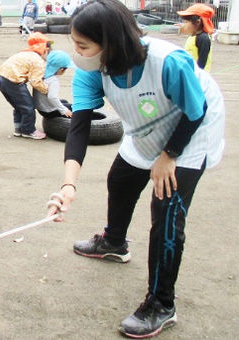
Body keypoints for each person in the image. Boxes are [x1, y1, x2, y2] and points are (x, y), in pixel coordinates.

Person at [46, 0, 225, 338]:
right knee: (122, 178)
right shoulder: (92, 69)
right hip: (147, 125)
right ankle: (114, 242)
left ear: (110, 41)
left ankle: (162, 304)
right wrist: (68, 186)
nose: (76, 52)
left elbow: (195, 109)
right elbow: (80, 126)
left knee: (166, 207)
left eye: (82, 45)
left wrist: (169, 155)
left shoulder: (166, 61)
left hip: (193, 126)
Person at [0, 32, 51, 139]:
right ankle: (28, 130)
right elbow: (35, 81)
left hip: (2, 78)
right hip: (13, 81)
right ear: (44, 49)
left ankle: (18, 128)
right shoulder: (38, 60)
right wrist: (46, 90)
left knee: (18, 106)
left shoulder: (24, 54)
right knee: (28, 106)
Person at [33, 50, 72, 119]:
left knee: (64, 101)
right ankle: (96, 116)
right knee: (75, 108)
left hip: (40, 107)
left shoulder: (41, 72)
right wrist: (64, 110)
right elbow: (52, 97)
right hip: (49, 111)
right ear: (61, 69)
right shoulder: (53, 80)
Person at [177, 3, 215, 71]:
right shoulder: (193, 36)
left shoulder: (203, 38)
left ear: (198, 22)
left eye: (186, 22)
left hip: (197, 76)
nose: (184, 25)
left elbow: (201, 63)